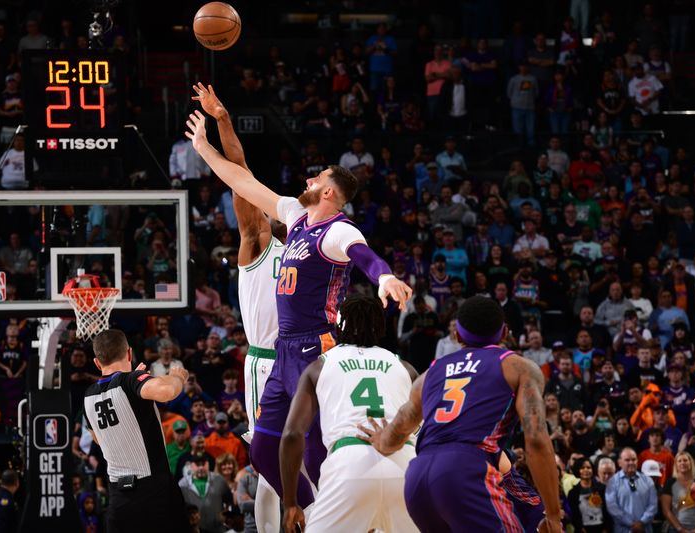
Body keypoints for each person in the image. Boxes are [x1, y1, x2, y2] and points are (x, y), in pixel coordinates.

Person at [185, 88, 411, 504]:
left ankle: (338, 516)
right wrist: (204, 145)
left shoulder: (339, 230)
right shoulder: (294, 214)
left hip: (317, 344)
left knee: (314, 445)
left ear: (328, 193)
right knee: (263, 450)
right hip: (283, 349)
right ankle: (307, 510)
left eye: (317, 178)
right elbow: (241, 179)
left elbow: (365, 256)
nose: (308, 179)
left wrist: (383, 278)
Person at [358, 296, 562, 532]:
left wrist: (379, 439)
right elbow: (536, 439)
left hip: (418, 479)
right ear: (505, 332)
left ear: (457, 336)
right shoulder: (518, 366)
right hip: (466, 471)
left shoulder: (429, 374)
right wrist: (554, 515)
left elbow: (393, 436)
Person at [193, 82, 285, 532]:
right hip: (268, 362)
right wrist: (223, 120)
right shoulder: (259, 241)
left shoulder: (314, 249)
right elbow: (240, 173)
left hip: (311, 358)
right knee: (269, 463)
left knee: (317, 454)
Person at [280, 295, 419, 533]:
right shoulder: (405, 368)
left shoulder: (320, 365)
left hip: (349, 464)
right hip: (405, 464)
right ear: (380, 327)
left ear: (339, 324)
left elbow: (293, 435)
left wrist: (291, 502)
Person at [82, 329, 189, 533]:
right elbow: (166, 392)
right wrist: (177, 378)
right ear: (129, 353)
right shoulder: (130, 382)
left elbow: (97, 438)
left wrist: (137, 380)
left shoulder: (88, 395)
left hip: (118, 498)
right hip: (154, 494)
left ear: (97, 363)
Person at [605, 447, 658, 533]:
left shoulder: (648, 480)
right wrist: (631, 524)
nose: (631, 463)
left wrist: (642, 522)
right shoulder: (612, 482)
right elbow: (612, 507)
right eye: (627, 460)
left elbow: (653, 505)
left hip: (645, 529)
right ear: (619, 462)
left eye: (634, 459)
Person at [660, 452, 695, 533]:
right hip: (675, 529)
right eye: (679, 461)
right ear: (676, 465)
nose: (682, 463)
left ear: (691, 463)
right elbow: (666, 510)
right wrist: (680, 529)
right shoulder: (670, 483)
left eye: (685, 460)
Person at [179, 457, 233, 533]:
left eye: (203, 464)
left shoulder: (219, 479)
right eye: (197, 464)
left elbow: (229, 500)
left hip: (218, 528)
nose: (201, 467)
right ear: (191, 466)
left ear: (208, 464)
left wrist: (226, 515)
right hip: (194, 530)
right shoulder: (182, 484)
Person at [567, 457, 611, 532]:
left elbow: (608, 510)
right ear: (578, 470)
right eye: (582, 468)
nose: (586, 470)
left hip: (602, 529)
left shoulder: (602, 488)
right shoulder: (573, 493)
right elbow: (574, 515)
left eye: (588, 467)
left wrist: (606, 528)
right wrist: (581, 528)